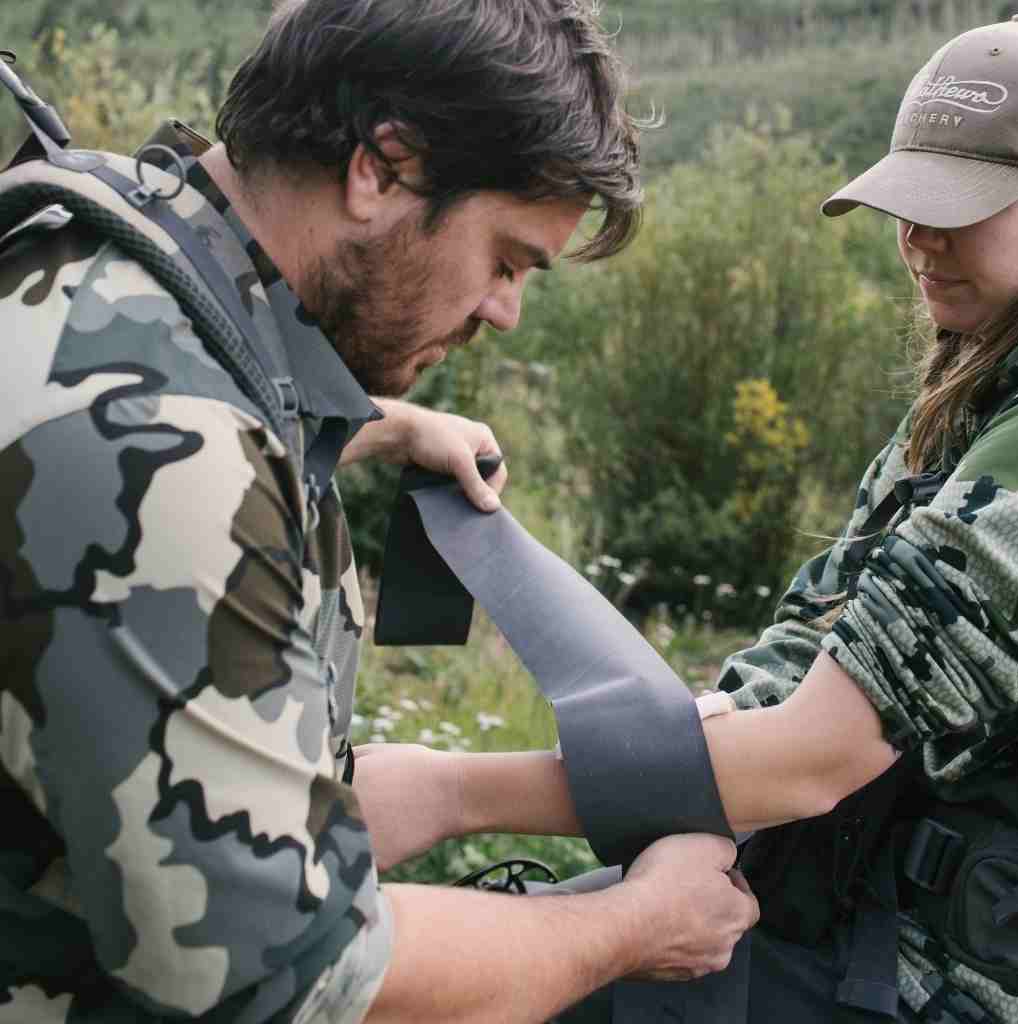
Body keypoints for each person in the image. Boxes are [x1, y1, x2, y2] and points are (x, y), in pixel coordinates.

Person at [0, 2, 760, 1022]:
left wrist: (383, 424)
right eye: (505, 258)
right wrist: (631, 924)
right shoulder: (161, 454)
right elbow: (289, 977)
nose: (504, 310)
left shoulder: (125, 245)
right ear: (381, 169)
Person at [355, 13, 1018, 1023]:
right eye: (906, 203)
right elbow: (816, 634)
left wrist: (444, 791)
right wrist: (702, 749)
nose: (919, 239)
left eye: (960, 208)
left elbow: (816, 753)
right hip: (846, 912)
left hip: (945, 978)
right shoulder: (969, 403)